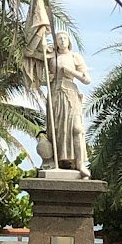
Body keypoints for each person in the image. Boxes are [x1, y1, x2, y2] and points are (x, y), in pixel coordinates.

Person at [47, 31, 91, 179]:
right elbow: (41, 77)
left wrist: (71, 71)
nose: (62, 40)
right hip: (55, 94)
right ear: (56, 42)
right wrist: (47, 77)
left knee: (77, 128)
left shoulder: (74, 57)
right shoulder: (51, 57)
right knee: (57, 129)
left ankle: (80, 164)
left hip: (71, 93)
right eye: (59, 38)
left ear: (69, 41)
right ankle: (57, 161)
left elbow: (87, 79)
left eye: (64, 38)